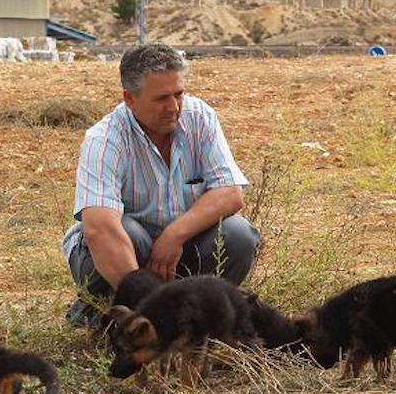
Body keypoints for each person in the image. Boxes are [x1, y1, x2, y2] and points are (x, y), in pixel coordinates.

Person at [61, 42, 260, 324]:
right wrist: (151, 307)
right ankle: (124, 317)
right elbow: (99, 228)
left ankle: (200, 323)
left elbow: (230, 193)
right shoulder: (104, 140)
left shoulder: (199, 117)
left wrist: (175, 234)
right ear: (129, 99)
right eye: (161, 98)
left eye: (179, 94)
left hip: (181, 252)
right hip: (126, 257)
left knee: (238, 234)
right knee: (129, 232)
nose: (174, 107)